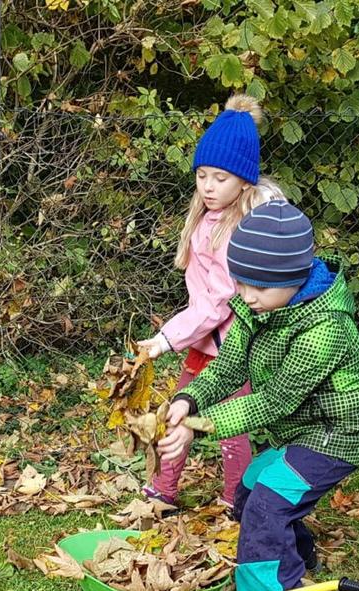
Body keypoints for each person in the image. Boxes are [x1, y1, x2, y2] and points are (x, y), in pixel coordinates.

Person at [155, 201, 359, 591]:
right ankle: (292, 558)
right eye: (239, 281)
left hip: (337, 434)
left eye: (257, 286)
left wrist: (198, 427)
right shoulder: (256, 308)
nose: (245, 294)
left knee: (267, 505)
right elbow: (226, 368)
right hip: (302, 429)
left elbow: (275, 400)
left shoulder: (325, 329)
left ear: (293, 280)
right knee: (250, 488)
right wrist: (186, 399)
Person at [135, 94, 286, 509]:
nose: (208, 186)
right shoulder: (206, 219)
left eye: (220, 177)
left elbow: (217, 304)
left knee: (230, 427)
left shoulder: (237, 230)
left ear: (244, 181)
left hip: (233, 349)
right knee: (179, 412)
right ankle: (163, 488)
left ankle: (237, 498)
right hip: (207, 343)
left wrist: (164, 340)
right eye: (202, 175)